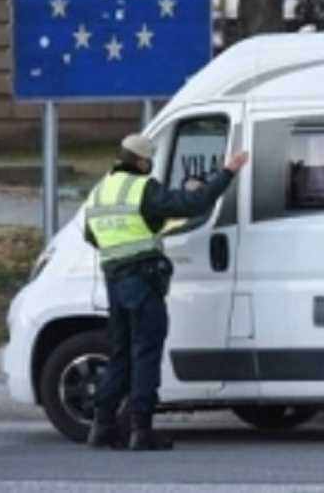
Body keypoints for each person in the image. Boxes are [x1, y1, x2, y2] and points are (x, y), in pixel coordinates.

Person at [83, 133, 249, 451]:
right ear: (141, 162)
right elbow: (194, 205)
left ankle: (101, 426)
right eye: (149, 161)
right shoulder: (143, 188)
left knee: (120, 352)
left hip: (114, 280)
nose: (151, 165)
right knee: (146, 351)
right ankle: (141, 430)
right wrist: (228, 172)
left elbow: (92, 235)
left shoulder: (100, 191)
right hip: (141, 279)